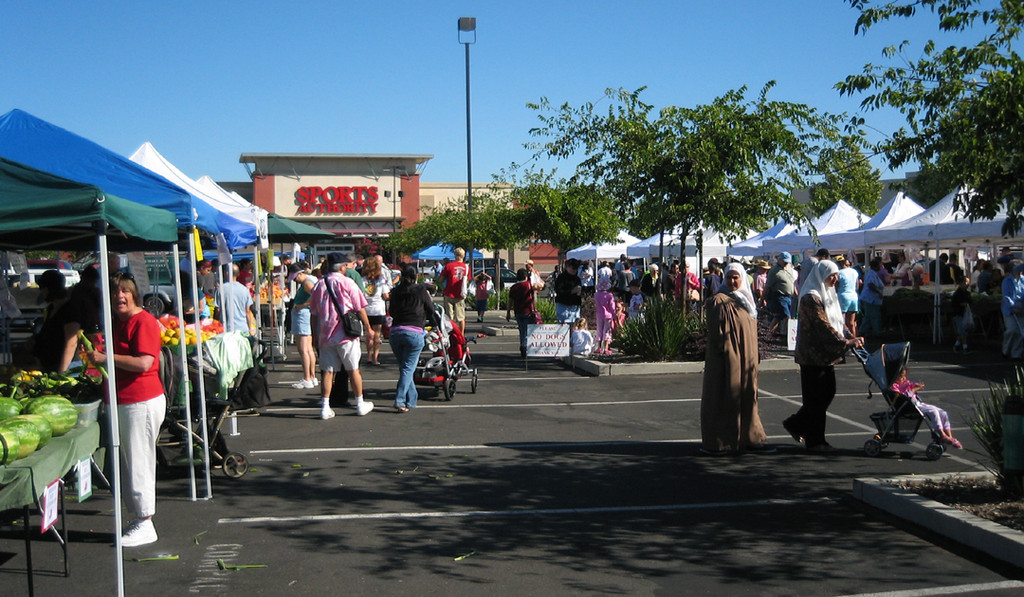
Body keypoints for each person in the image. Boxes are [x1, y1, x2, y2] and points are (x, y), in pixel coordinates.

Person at [85, 272, 165, 547]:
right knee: (130, 462)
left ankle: (145, 522)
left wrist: (106, 359)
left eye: (125, 291)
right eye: (115, 292)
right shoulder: (117, 322)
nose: (120, 296)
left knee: (140, 460)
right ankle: (140, 518)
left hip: (140, 400)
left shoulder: (143, 321)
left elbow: (144, 363)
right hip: (123, 400)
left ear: (134, 294)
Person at [783, 259, 864, 453]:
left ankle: (796, 423)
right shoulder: (811, 297)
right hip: (812, 354)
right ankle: (815, 440)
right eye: (831, 275)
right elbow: (823, 325)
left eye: (837, 275)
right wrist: (845, 342)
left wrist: (850, 335)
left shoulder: (828, 293)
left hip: (825, 354)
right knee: (816, 397)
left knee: (827, 392)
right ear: (821, 274)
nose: (835, 278)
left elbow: (836, 320)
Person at [700, 263, 772, 455]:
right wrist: (727, 357)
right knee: (724, 396)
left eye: (736, 277)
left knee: (748, 396)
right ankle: (720, 442)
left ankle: (750, 438)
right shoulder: (718, 301)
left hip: (747, 359)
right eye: (729, 277)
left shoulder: (745, 300)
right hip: (727, 359)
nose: (733, 281)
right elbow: (718, 335)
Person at [309, 252, 373, 419]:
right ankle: (360, 403)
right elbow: (360, 307)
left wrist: (314, 335)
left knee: (328, 372)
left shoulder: (319, 285)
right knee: (353, 370)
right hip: (346, 333)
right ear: (342, 267)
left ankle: (325, 406)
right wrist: (368, 328)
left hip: (325, 334)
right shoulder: (348, 283)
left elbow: (314, 313)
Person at [388, 264, 440, 412]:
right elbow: (431, 310)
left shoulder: (396, 291)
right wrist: (434, 323)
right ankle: (399, 400)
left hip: (395, 332)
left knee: (405, 368)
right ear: (416, 276)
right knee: (407, 368)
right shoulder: (420, 290)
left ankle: (412, 399)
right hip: (414, 332)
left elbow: (391, 311)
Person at [891, 367, 962, 448]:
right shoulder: (894, 386)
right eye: (901, 376)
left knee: (943, 413)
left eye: (904, 376)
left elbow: (910, 385)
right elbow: (903, 398)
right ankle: (942, 435)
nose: (903, 378)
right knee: (933, 411)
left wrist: (916, 385)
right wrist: (914, 389)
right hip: (909, 406)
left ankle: (949, 436)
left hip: (918, 403)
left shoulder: (905, 382)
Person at [31, 270, 83, 373]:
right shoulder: (51, 308)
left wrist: (62, 373)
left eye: (44, 288)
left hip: (66, 367)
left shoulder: (69, 310)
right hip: (50, 365)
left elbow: (71, 343)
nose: (42, 292)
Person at [288, 263, 318, 389]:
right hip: (304, 315)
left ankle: (307, 377)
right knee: (308, 349)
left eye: (295, 277)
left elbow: (316, 297)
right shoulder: (310, 280)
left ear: (300, 274)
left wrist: (302, 305)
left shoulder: (306, 283)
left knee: (303, 349)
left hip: (302, 315)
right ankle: (311, 376)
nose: (295, 280)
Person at [360, 256, 392, 366]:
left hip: (366, 309)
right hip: (378, 309)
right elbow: (386, 295)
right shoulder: (381, 280)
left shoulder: (362, 279)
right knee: (377, 334)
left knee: (368, 333)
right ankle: (375, 357)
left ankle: (368, 356)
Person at [215, 264, 255, 335]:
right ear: (238, 274)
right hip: (242, 329)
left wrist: (215, 325)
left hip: (226, 329)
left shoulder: (221, 289)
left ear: (226, 273)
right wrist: (250, 328)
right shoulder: (244, 289)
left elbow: (217, 310)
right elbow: (247, 311)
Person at [506, 268, 536, 358]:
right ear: (526, 276)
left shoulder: (514, 287)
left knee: (522, 330)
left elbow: (510, 301)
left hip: (518, 311)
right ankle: (524, 346)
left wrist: (508, 312)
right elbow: (540, 286)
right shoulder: (528, 285)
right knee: (527, 330)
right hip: (528, 311)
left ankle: (522, 344)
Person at [440, 248, 471, 333]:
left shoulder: (448, 266)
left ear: (455, 255)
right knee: (461, 317)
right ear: (463, 256)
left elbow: (441, 279)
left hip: (449, 293)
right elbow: (467, 282)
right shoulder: (466, 267)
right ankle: (461, 335)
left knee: (449, 318)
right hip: (460, 294)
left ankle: (451, 335)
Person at [765, 252, 796, 336]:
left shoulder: (788, 268)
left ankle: (769, 333)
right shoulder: (774, 271)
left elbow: (792, 282)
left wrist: (796, 294)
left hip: (789, 297)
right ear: (779, 260)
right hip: (780, 297)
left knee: (779, 316)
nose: (786, 263)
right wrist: (762, 300)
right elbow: (767, 286)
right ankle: (788, 335)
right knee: (787, 316)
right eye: (784, 261)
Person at [1001, 262, 1024, 361]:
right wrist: (1013, 307)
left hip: (1022, 308)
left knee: (1020, 332)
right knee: (1012, 330)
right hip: (1009, 309)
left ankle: (1016, 353)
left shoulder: (1023, 280)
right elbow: (1006, 296)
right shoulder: (1007, 281)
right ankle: (1005, 350)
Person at [858, 256, 886, 336]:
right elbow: (871, 285)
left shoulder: (873, 273)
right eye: (879, 266)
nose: (880, 267)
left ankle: (863, 331)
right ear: (875, 266)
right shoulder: (871, 273)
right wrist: (878, 292)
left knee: (869, 316)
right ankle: (875, 332)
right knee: (873, 316)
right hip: (870, 298)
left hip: (871, 298)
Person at [835, 256, 860, 339]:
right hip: (854, 296)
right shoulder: (854, 271)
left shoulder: (839, 273)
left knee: (841, 320)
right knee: (852, 322)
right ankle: (854, 340)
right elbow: (857, 285)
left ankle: (843, 339)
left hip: (843, 296)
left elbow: (836, 285)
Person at [553, 258, 583, 323]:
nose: (574, 270)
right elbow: (558, 290)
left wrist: (581, 293)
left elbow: (580, 291)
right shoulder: (561, 278)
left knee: (575, 325)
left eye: (576, 268)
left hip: (574, 305)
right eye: (573, 268)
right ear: (567, 267)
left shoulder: (577, 279)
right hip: (563, 304)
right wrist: (571, 291)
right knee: (563, 326)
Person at [951, 274, 973, 353]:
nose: (967, 284)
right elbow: (955, 304)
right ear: (961, 283)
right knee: (962, 330)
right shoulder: (958, 293)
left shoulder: (966, 293)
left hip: (964, 313)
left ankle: (957, 344)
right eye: (965, 282)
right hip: (960, 313)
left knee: (962, 330)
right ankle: (965, 346)